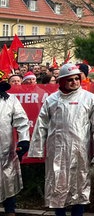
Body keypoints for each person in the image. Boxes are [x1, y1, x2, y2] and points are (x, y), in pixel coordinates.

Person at [28, 64, 94, 216]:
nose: (74, 82)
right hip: (57, 151)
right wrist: (37, 149)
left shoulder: (89, 98)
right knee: (58, 186)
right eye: (70, 79)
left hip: (80, 151)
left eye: (77, 78)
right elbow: (41, 125)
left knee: (79, 186)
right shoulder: (51, 100)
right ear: (62, 81)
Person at [0, 80, 30, 216]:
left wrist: (23, 140)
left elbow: (22, 120)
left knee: (8, 182)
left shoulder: (10, 100)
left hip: (5, 151)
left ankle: (10, 211)